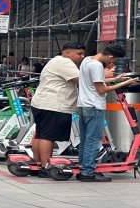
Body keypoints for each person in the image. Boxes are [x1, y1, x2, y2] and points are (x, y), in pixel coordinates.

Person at [77, 43, 139, 182]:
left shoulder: (87, 60)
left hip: (83, 105)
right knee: (93, 140)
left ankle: (83, 167)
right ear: (110, 56)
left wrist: (116, 79)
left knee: (85, 139)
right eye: (114, 60)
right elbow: (101, 90)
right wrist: (124, 84)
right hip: (94, 106)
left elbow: (97, 81)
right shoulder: (98, 65)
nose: (113, 63)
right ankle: (88, 171)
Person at [30, 42, 85, 178]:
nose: (82, 57)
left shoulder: (55, 61)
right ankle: (46, 167)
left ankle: (37, 165)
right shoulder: (64, 63)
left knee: (41, 134)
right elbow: (82, 79)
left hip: (42, 103)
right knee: (48, 137)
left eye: (83, 54)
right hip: (53, 104)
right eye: (79, 54)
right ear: (67, 53)